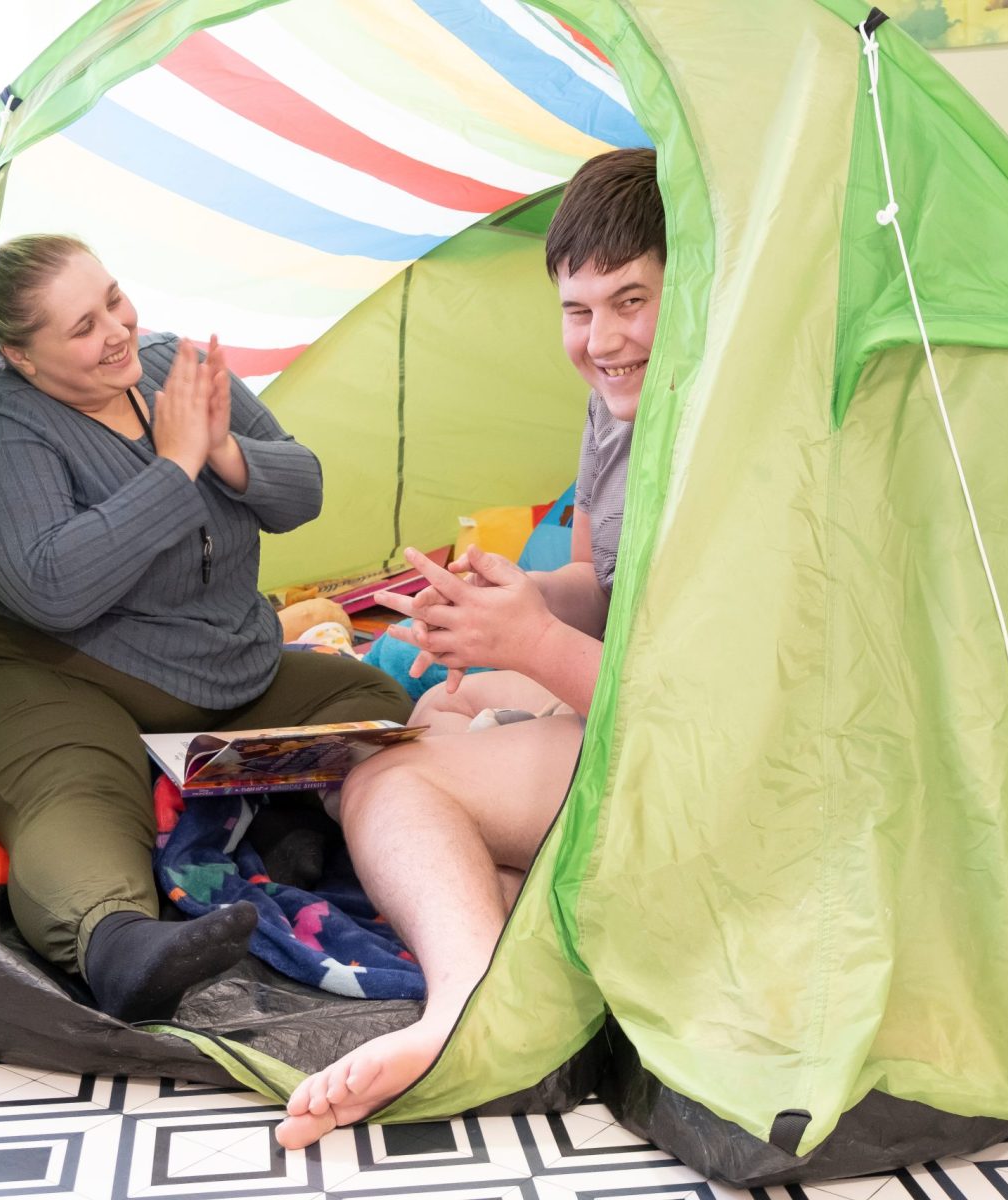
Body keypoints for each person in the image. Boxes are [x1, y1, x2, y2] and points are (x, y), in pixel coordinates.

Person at [0, 234, 412, 1023]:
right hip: (21, 665)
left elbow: (302, 489)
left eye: (114, 299)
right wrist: (176, 466)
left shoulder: (174, 366)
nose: (118, 329)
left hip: (205, 665)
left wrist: (224, 448)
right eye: (83, 327)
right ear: (21, 358)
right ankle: (117, 940)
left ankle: (284, 824)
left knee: (372, 705)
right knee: (81, 772)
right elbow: (54, 589)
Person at [275, 147, 664, 1149]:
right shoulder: (614, 407)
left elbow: (694, 704)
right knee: (441, 700)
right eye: (578, 311)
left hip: (701, 765)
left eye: (631, 302)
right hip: (636, 710)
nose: (603, 339)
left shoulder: (726, 436)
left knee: (385, 781)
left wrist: (531, 644)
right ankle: (521, 947)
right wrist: (510, 600)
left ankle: (462, 1014)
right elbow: (607, 589)